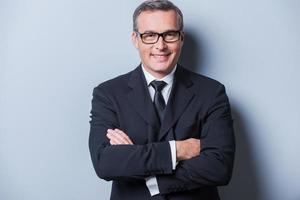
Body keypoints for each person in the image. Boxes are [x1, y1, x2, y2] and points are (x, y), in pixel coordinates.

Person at [89, 0, 235, 199]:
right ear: (135, 39)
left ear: (181, 38)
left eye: (169, 35)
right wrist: (177, 150)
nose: (160, 45)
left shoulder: (211, 92)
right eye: (149, 35)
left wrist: (150, 176)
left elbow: (219, 166)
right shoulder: (108, 94)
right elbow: (106, 163)